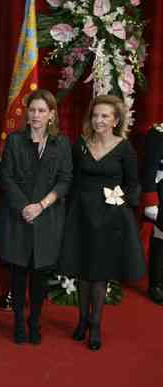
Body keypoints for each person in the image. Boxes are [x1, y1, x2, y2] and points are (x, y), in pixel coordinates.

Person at [59, 95, 146, 351]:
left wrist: (119, 202)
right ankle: (82, 320)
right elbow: (72, 180)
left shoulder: (124, 148)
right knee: (83, 270)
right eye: (96, 115)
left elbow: (133, 185)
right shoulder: (81, 145)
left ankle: (95, 325)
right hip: (81, 215)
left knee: (99, 273)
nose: (99, 120)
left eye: (105, 116)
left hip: (109, 218)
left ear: (115, 120)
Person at [0, 89, 73, 345]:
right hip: (18, 218)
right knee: (18, 275)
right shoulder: (15, 141)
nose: (36, 115)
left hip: (47, 218)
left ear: (51, 114)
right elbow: (6, 177)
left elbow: (65, 180)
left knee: (39, 278)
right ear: (27, 114)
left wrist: (41, 205)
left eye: (42, 110)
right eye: (32, 110)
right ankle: (19, 321)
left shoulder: (62, 143)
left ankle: (35, 321)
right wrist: (24, 207)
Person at [140, 123, 163, 305]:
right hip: (162, 188)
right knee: (160, 235)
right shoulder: (158, 133)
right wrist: (150, 201)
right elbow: (149, 169)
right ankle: (156, 284)